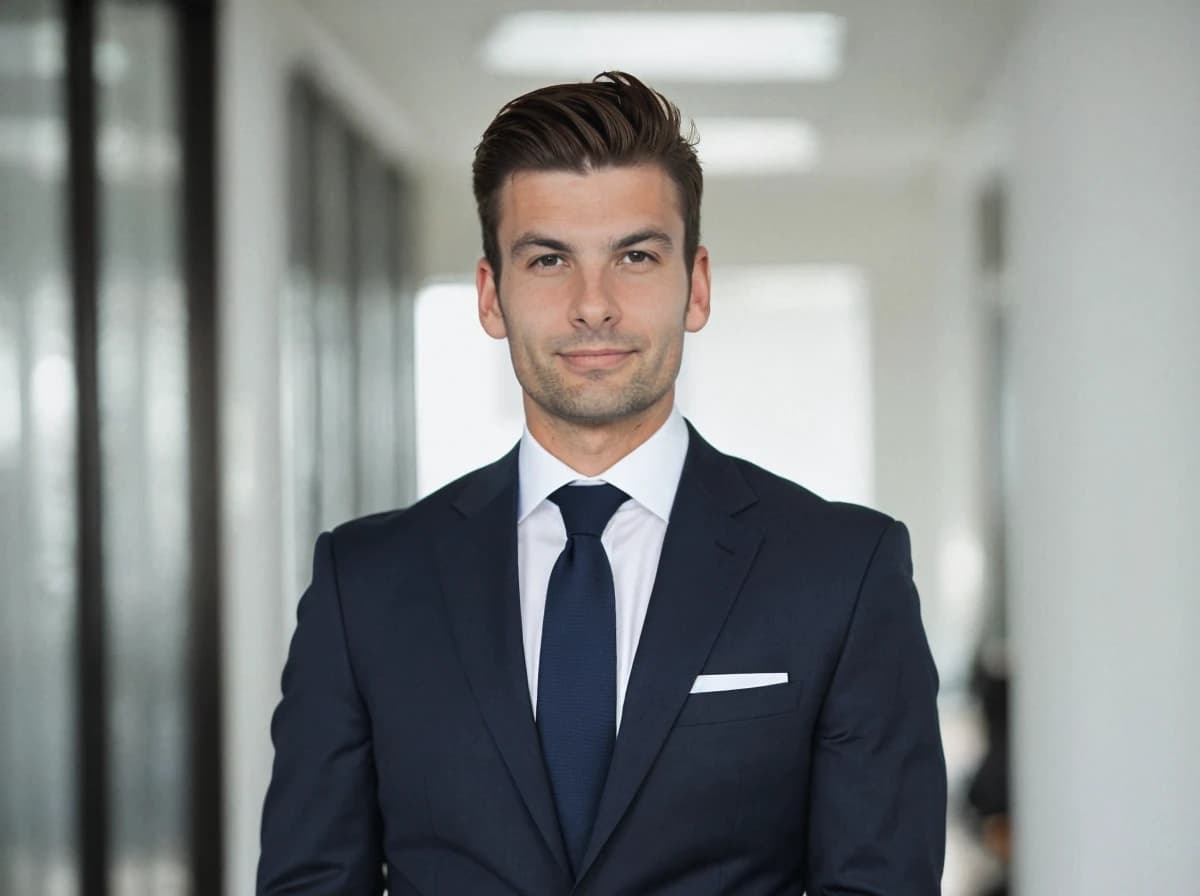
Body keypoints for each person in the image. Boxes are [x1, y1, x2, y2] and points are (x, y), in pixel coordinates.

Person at [258, 71, 946, 895]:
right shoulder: (363, 584)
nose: (594, 305)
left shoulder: (842, 570)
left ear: (695, 286)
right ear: (491, 295)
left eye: (635, 256)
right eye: (549, 259)